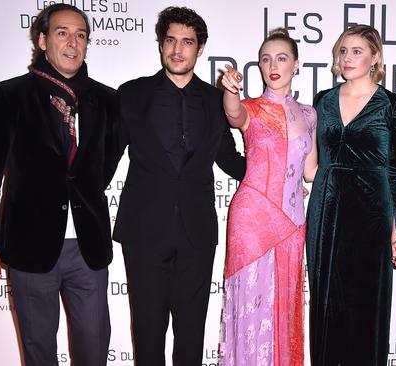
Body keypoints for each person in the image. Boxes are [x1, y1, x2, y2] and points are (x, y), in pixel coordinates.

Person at [0, 4, 115, 365]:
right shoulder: (11, 95)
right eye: (63, 32)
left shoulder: (107, 100)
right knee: (38, 354)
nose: (73, 42)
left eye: (81, 35)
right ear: (42, 39)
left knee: (95, 351)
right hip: (29, 247)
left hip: (88, 248)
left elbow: (102, 167)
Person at [111, 6, 245, 365]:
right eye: (170, 40)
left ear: (199, 49)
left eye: (187, 42)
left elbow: (230, 161)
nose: (177, 49)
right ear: (160, 44)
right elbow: (106, 159)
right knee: (147, 332)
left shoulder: (217, 102)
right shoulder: (131, 94)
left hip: (196, 233)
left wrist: (280, 177)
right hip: (143, 231)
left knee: (191, 334)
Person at [305, 24, 396, 365]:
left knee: (367, 306)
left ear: (375, 57)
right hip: (327, 209)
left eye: (357, 51)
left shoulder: (392, 105)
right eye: (343, 51)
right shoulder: (322, 100)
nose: (347, 58)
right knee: (327, 305)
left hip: (371, 213)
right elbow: (310, 163)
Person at [218, 28, 317, 366]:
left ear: (297, 64)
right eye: (265, 59)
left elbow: (311, 172)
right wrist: (229, 90)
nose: (273, 65)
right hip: (253, 217)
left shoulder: (310, 114)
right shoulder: (251, 108)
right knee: (252, 301)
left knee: (285, 305)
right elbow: (233, 113)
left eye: (281, 57)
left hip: (292, 221)